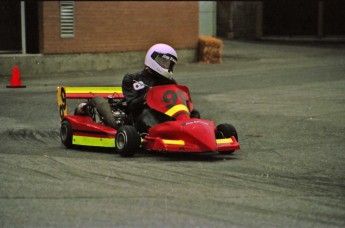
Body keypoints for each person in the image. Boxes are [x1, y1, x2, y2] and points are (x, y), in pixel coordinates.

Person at [122, 43, 199, 133]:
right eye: (163, 61)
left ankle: (196, 132)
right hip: (140, 117)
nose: (166, 65)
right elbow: (132, 106)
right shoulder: (132, 78)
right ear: (153, 59)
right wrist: (146, 97)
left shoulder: (170, 82)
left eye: (168, 63)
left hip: (165, 115)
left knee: (195, 114)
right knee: (147, 114)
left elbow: (177, 102)